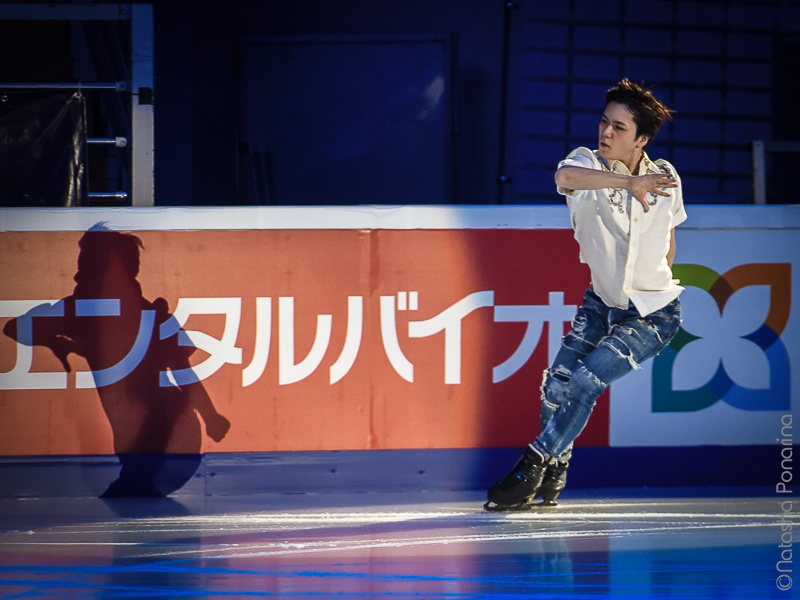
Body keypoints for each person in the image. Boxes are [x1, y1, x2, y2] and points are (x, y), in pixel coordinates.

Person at [485, 79, 686, 511]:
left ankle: (533, 465)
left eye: (618, 127)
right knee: (555, 386)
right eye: (603, 122)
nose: (606, 132)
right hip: (601, 302)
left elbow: (669, 237)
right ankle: (557, 470)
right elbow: (564, 176)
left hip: (652, 314)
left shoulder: (665, 175)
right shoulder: (584, 162)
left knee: (584, 381)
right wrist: (628, 186)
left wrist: (654, 279)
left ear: (643, 139)